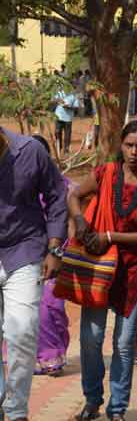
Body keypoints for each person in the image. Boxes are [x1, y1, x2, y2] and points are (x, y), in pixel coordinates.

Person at [68, 120, 137, 421]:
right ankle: (91, 399)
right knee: (90, 336)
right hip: (99, 263)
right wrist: (82, 222)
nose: (134, 152)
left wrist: (110, 236)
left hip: (136, 268)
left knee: (125, 342)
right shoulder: (106, 173)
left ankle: (117, 408)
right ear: (121, 145)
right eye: (129, 145)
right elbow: (74, 195)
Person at [0, 128, 66, 421]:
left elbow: (56, 196)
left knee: (22, 331)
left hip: (24, 249)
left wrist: (55, 248)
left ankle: (15, 412)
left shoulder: (30, 151)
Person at [29, 135, 71, 378]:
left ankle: (51, 357)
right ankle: (29, 358)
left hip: (56, 256)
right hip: (24, 254)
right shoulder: (16, 183)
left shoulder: (63, 188)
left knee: (50, 307)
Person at [54, 85, 81, 154]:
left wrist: (68, 106)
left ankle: (66, 149)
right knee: (57, 132)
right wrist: (58, 100)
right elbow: (54, 99)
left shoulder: (74, 95)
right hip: (58, 116)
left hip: (68, 118)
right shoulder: (60, 92)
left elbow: (76, 107)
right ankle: (58, 147)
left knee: (67, 135)